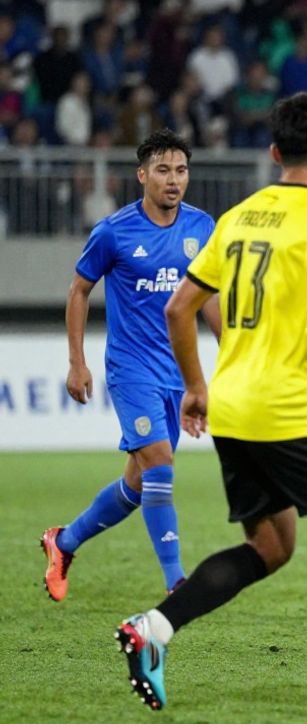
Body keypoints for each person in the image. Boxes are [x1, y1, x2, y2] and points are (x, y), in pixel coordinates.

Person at [114, 93, 307, 714]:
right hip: (289, 409)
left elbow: (180, 307)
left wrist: (197, 385)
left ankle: (154, 629)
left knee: (272, 547)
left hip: (231, 408)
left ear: (275, 152)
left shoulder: (238, 217)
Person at [41, 129, 217, 602]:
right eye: (162, 170)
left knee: (138, 484)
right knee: (160, 463)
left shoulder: (203, 228)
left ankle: (64, 542)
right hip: (130, 368)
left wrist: (233, 351)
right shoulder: (114, 231)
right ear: (142, 175)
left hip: (177, 372)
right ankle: (176, 581)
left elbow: (209, 297)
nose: (173, 179)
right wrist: (76, 362)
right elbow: (79, 291)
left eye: (180, 170)